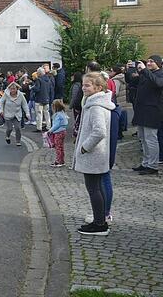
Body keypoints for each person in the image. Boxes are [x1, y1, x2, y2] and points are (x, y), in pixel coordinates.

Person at [73, 72, 115, 236]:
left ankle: (99, 224)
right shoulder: (95, 103)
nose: (84, 88)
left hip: (93, 154)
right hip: (97, 154)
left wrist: (84, 147)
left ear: (98, 87)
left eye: (87, 85)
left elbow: (99, 132)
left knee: (94, 189)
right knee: (97, 187)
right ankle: (100, 220)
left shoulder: (96, 106)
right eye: (83, 85)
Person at [131, 55, 163, 175]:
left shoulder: (161, 75)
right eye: (148, 61)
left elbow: (158, 83)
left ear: (158, 63)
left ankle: (153, 165)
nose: (149, 63)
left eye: (152, 62)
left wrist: (145, 71)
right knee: (142, 138)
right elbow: (132, 81)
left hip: (152, 111)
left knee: (151, 139)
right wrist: (132, 70)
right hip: (141, 110)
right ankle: (145, 162)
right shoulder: (146, 74)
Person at [0, 82, 29, 147]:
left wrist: (27, 113)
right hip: (8, 113)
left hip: (17, 113)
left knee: (18, 128)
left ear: (17, 89)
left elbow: (24, 104)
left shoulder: (20, 95)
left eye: (14, 89)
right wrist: (1, 110)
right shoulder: (6, 94)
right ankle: (7, 136)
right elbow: (1, 102)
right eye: (11, 89)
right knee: (10, 128)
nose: (12, 90)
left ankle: (18, 141)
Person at [48, 99, 68, 167]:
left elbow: (56, 125)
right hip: (63, 131)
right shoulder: (63, 113)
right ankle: (62, 160)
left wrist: (50, 131)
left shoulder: (57, 115)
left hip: (58, 132)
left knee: (58, 147)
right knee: (61, 147)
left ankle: (58, 161)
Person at [32, 67, 52, 131]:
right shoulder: (48, 79)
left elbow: (37, 89)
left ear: (39, 73)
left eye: (37, 73)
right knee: (47, 114)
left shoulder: (39, 80)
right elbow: (50, 90)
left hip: (39, 99)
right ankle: (48, 126)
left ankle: (39, 127)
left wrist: (32, 88)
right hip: (47, 98)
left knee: (39, 114)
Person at [69, 71, 84, 138]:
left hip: (76, 105)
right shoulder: (80, 84)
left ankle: (77, 132)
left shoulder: (75, 85)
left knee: (77, 119)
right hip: (79, 104)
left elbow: (74, 96)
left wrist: (71, 106)